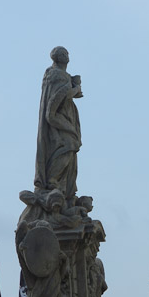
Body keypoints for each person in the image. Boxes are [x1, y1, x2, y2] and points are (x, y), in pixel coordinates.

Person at [35, 46, 83, 204]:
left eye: (67, 53)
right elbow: (59, 98)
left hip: (65, 116)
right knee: (70, 145)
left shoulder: (60, 75)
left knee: (71, 148)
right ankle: (53, 180)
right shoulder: (57, 75)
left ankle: (63, 186)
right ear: (58, 57)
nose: (67, 56)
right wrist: (75, 89)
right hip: (58, 119)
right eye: (64, 54)